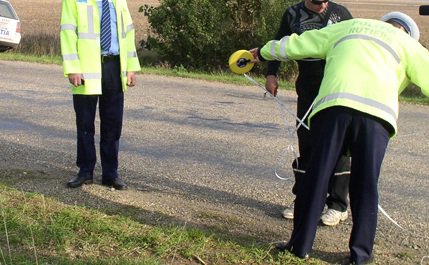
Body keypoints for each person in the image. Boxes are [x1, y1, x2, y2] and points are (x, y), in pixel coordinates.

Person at [251, 11, 429, 264]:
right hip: (376, 117)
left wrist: (261, 53)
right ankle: (360, 256)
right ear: (408, 31)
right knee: (366, 185)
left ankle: (299, 247)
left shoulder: (349, 26)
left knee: (317, 176)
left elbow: (299, 43)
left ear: (384, 22)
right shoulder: (410, 45)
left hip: (333, 108)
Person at [265, 0, 352, 226]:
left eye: (324, 2)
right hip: (307, 88)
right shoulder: (293, 14)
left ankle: (338, 205)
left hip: (337, 88)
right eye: (316, 2)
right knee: (308, 144)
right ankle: (304, 200)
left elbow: (356, 46)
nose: (322, 6)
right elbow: (279, 43)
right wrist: (271, 74)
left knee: (339, 145)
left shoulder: (341, 13)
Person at [60, 0, 141, 190]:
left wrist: (131, 67)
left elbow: (128, 33)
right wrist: (72, 68)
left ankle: (111, 174)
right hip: (85, 69)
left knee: (113, 124)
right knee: (85, 124)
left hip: (115, 67)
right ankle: (85, 171)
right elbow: (67, 33)